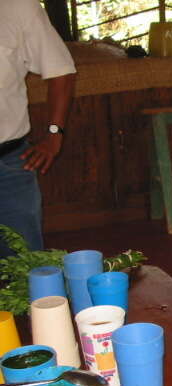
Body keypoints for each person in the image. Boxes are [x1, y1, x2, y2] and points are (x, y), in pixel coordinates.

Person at [0, 0, 76, 258]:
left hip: (9, 165)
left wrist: (54, 134)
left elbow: (61, 72)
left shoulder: (17, 7)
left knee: (24, 268)